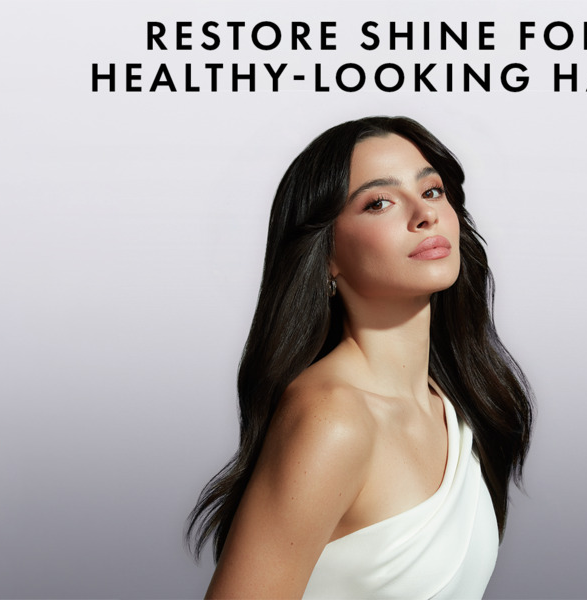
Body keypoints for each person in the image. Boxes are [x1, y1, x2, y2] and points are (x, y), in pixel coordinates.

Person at [187, 116, 532, 598]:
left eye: (432, 191)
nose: (424, 214)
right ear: (328, 254)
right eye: (380, 202)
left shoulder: (451, 408)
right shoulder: (332, 418)